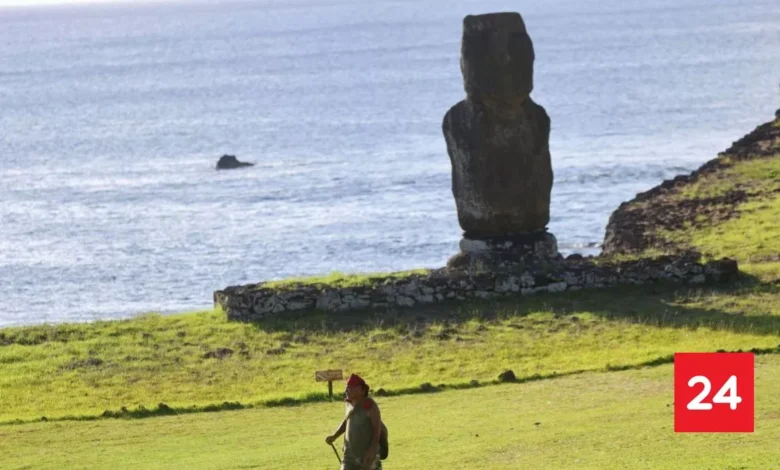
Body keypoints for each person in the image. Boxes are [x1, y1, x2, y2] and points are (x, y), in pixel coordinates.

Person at [325, 374, 383, 470]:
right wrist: (334, 436)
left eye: (350, 388)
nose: (346, 391)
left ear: (361, 390)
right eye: (346, 388)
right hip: (349, 456)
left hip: (367, 455)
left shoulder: (370, 406)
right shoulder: (349, 404)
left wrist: (372, 450)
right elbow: (347, 421)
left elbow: (377, 428)